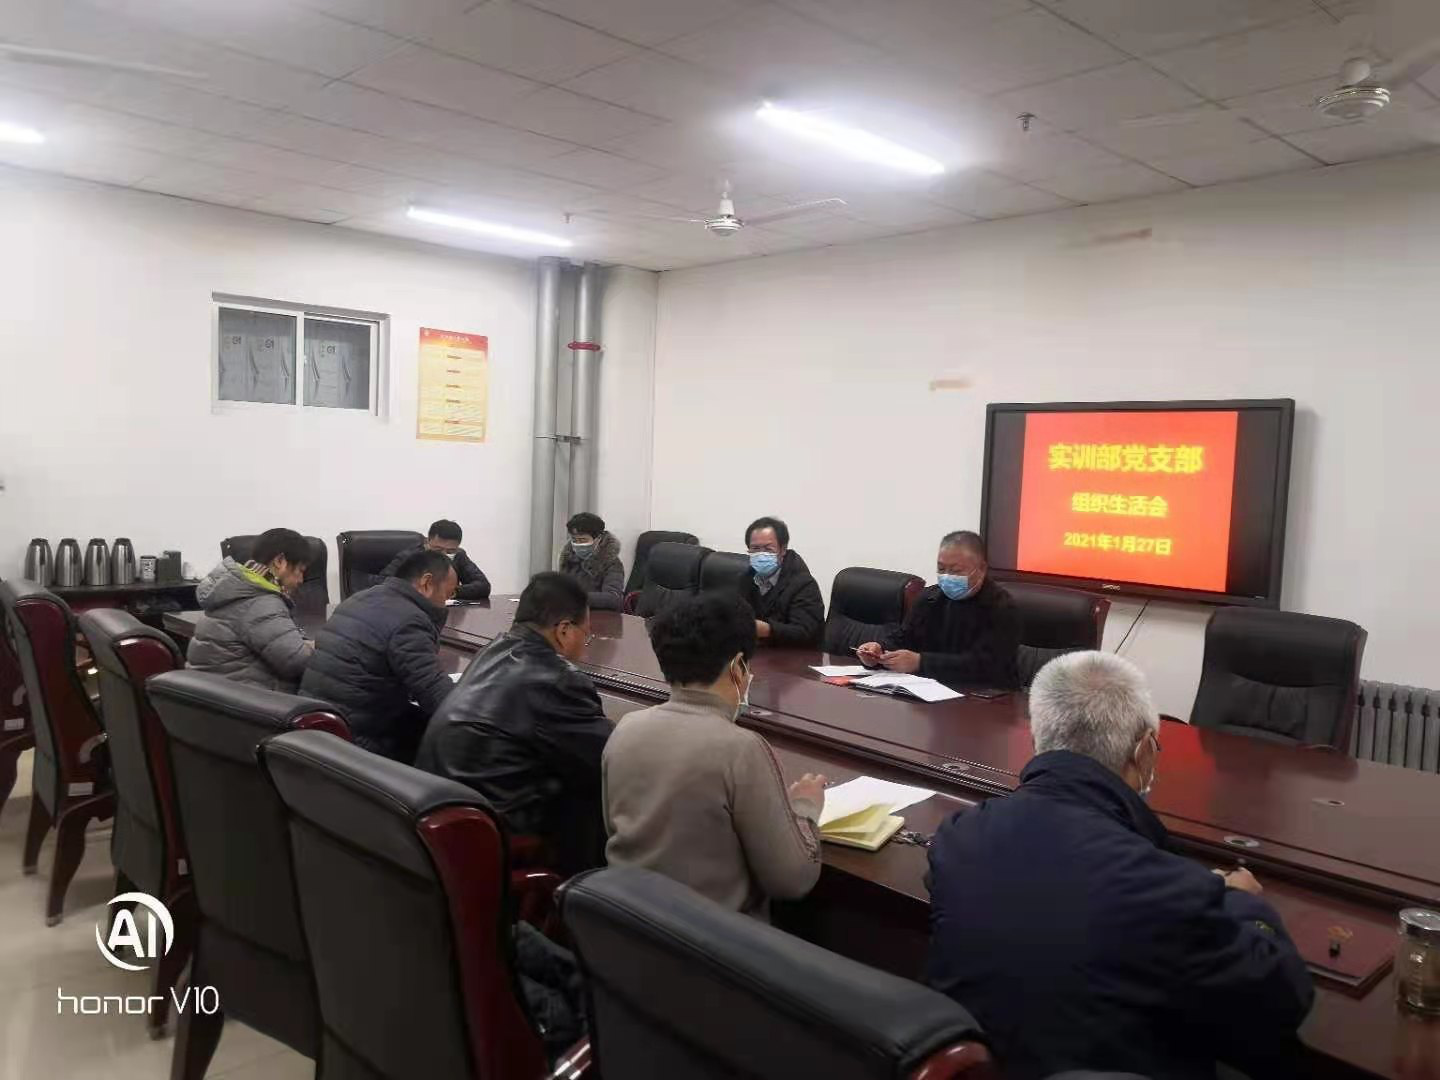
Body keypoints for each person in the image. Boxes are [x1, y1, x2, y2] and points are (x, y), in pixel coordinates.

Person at [926, 651, 1314, 1080]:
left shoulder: (958, 837)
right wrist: (1243, 903)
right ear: (1145, 750)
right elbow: (1282, 1001)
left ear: (1037, 739)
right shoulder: (1164, 886)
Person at [604, 592, 825, 920]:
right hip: (712, 942)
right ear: (738, 666)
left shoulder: (625, 729)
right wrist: (805, 808)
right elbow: (792, 881)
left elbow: (615, 830)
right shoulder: (741, 748)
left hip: (631, 928)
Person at [415, 572, 612, 874]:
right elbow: (609, 756)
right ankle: (584, 889)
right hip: (491, 832)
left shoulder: (492, 650)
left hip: (442, 813)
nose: (586, 646)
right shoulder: (557, 679)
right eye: (587, 635)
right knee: (593, 789)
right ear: (563, 630)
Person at [301, 549, 457, 762]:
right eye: (448, 595)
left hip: (319, 725)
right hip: (356, 741)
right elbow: (438, 697)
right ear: (427, 583)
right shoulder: (409, 620)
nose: (446, 603)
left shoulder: (359, 598)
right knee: (457, 741)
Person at [857, 530, 1020, 689]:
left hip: (987, 698)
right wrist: (877, 653)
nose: (947, 576)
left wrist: (921, 662)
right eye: (941, 569)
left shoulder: (1001, 606)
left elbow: (986, 666)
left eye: (956, 571)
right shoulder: (930, 598)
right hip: (931, 692)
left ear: (982, 569)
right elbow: (903, 639)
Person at [188, 528, 314, 692]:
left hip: (217, 695)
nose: (301, 579)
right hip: (248, 700)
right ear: (280, 561)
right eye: (300, 570)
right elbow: (297, 663)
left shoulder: (238, 589)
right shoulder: (261, 602)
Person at [739, 516, 824, 647]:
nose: (761, 555)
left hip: (794, 655)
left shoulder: (804, 585)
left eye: (768, 549)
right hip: (756, 653)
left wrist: (768, 630)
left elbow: (805, 632)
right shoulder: (746, 578)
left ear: (783, 550)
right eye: (755, 548)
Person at [381, 519, 491, 601]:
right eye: (438, 550)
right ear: (427, 541)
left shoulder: (459, 555)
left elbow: (483, 586)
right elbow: (382, 582)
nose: (444, 555)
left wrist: (451, 591)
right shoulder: (410, 556)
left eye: (450, 551)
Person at [557, 511, 625, 611]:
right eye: (574, 540)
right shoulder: (569, 559)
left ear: (598, 539)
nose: (578, 544)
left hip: (600, 615)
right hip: (572, 613)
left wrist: (575, 597)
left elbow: (613, 598)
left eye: (583, 540)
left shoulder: (612, 563)